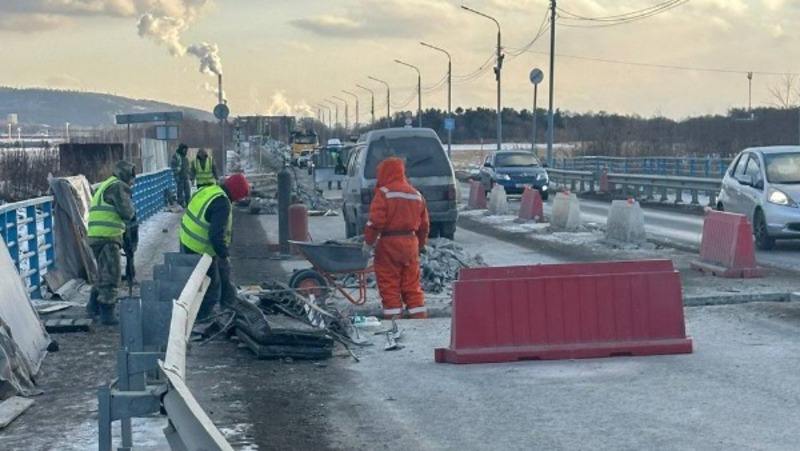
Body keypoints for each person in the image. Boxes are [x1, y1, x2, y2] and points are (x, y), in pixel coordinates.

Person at [363, 158, 430, 319]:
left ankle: (394, 320)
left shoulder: (384, 193)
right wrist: (420, 245)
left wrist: (368, 243)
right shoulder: (416, 195)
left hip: (389, 244)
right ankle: (419, 319)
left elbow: (375, 222)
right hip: (410, 243)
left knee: (389, 283)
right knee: (412, 285)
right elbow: (425, 225)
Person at [179, 173, 250, 320]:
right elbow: (215, 235)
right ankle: (202, 318)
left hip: (186, 239)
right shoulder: (222, 203)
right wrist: (223, 254)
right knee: (212, 286)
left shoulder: (210, 189)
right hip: (199, 246)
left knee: (218, 273)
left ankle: (227, 304)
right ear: (236, 193)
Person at [86, 161, 137, 325]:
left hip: (96, 235)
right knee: (112, 274)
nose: (132, 181)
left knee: (103, 272)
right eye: (131, 177)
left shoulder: (106, 184)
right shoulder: (118, 187)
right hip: (107, 236)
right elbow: (127, 212)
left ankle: (93, 306)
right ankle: (107, 313)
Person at [170, 143, 191, 207]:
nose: (185, 151)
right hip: (179, 177)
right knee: (180, 191)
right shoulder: (176, 156)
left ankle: (188, 203)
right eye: (184, 150)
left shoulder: (185, 157)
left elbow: (187, 167)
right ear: (181, 149)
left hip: (185, 177)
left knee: (187, 191)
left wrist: (189, 174)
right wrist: (176, 176)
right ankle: (181, 203)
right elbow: (173, 167)